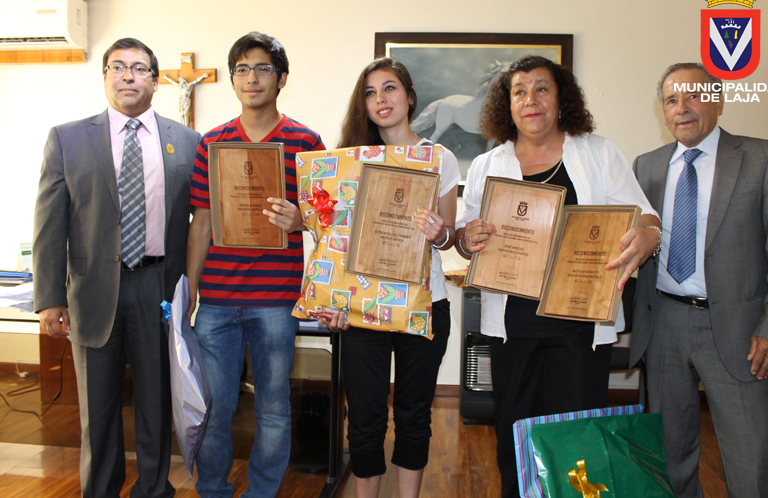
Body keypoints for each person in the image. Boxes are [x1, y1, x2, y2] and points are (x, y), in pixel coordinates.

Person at [455, 55, 661, 498]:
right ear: (507, 105)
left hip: (579, 325)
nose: (530, 99)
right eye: (520, 91)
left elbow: (643, 214)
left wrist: (650, 234)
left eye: (541, 88)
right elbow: (464, 234)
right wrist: (466, 237)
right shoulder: (487, 164)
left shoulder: (598, 153)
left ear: (560, 98)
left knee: (578, 440)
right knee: (514, 438)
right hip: (511, 327)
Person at [33, 37, 201, 498]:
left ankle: (154, 490)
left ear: (156, 81)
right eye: (118, 67)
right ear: (105, 76)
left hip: (158, 288)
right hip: (92, 293)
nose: (129, 75)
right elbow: (50, 224)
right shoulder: (67, 139)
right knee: (98, 411)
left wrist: (196, 288)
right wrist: (49, 298)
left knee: (156, 404)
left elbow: (203, 221)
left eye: (140, 68)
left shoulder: (188, 142)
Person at [630, 62, 768, 498]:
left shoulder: (763, 158)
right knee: (669, 456)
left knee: (751, 461)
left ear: (718, 101)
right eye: (671, 100)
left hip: (742, 332)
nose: (682, 108)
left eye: (693, 96)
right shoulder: (647, 166)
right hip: (663, 324)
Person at [185, 32, 324, 498]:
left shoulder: (306, 141)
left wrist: (301, 219)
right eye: (242, 69)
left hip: (276, 301)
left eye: (263, 68)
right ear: (233, 80)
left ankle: (263, 493)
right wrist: (191, 291)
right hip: (217, 300)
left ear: (281, 78)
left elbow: (325, 219)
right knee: (213, 409)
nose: (251, 77)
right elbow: (202, 222)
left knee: (273, 411)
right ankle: (213, 490)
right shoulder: (212, 142)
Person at [322, 57, 460, 498]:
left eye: (389, 88)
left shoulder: (438, 158)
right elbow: (334, 240)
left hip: (425, 303)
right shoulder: (350, 161)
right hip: (364, 306)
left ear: (409, 96)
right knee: (365, 417)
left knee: (414, 413)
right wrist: (335, 300)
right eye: (370, 92)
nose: (380, 99)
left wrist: (440, 233)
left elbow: (449, 238)